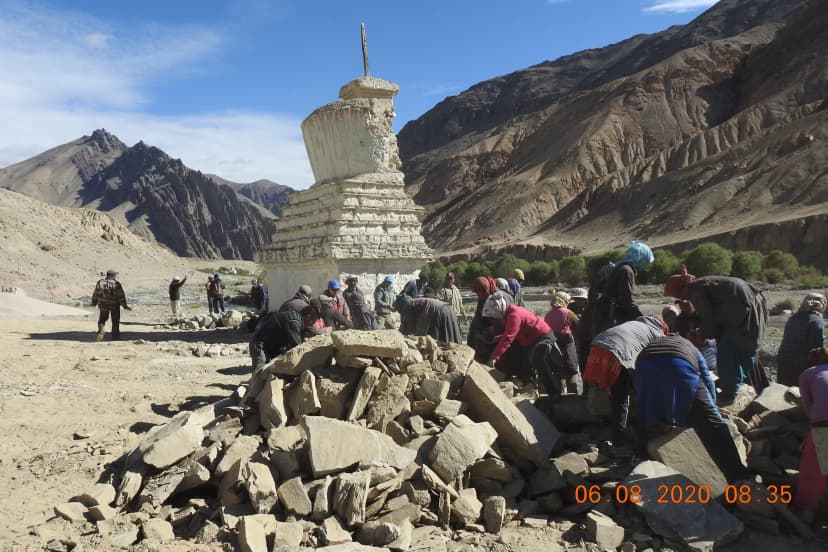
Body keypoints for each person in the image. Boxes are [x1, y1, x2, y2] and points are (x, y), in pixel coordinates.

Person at [634, 334, 753, 481]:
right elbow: (707, 380)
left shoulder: (652, 345)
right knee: (713, 426)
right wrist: (711, 408)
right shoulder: (691, 348)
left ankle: (641, 455)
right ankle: (738, 477)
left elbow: (642, 392)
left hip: (644, 367)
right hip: (679, 365)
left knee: (650, 406)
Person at [681, 276, 768, 401]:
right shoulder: (705, 283)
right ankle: (734, 386)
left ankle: (729, 392)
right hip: (754, 300)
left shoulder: (695, 290)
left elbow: (708, 318)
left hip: (739, 305)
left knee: (727, 348)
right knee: (748, 345)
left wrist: (702, 334)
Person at [583, 316, 666, 444]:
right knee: (621, 395)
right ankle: (620, 437)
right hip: (616, 352)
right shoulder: (657, 333)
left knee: (611, 387)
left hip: (598, 344)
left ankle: (607, 422)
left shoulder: (633, 322)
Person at [481, 293, 564, 392]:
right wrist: (499, 338)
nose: (495, 318)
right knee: (525, 368)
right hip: (529, 340)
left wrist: (494, 357)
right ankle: (531, 391)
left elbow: (509, 336)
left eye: (495, 315)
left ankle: (553, 392)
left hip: (542, 337)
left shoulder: (513, 314)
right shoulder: (507, 315)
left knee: (539, 361)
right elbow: (512, 332)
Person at [592, 241, 655, 336]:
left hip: (604, 316)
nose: (645, 265)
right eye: (645, 261)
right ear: (641, 258)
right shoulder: (627, 271)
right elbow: (626, 300)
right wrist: (641, 318)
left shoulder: (621, 267)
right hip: (614, 320)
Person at [795, 347, 828, 522]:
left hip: (823, 425)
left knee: (814, 467)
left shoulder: (808, 374)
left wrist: (813, 425)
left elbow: (808, 405)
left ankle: (807, 510)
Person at [249, 302, 324, 371]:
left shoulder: (297, 320)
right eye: (313, 321)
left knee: (271, 370)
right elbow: (297, 347)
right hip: (259, 344)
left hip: (270, 345)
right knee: (260, 372)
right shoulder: (294, 322)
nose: (312, 324)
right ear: (308, 316)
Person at [777, 293, 826, 387]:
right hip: (802, 367)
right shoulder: (816, 321)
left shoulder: (793, 318)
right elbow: (817, 349)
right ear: (822, 306)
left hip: (784, 363)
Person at [544, 290, 580, 389]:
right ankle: (572, 396)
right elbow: (578, 325)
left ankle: (558, 396)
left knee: (557, 373)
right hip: (567, 345)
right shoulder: (567, 312)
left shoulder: (548, 314)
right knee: (571, 372)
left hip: (553, 345)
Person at [91, 269, 131, 341]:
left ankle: (101, 332)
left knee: (102, 320)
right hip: (114, 305)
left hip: (103, 305)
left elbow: (95, 293)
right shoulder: (116, 284)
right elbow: (121, 296)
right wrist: (125, 306)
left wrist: (94, 302)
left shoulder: (100, 283)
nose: (116, 276)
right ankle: (115, 336)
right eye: (115, 275)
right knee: (115, 321)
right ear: (113, 276)